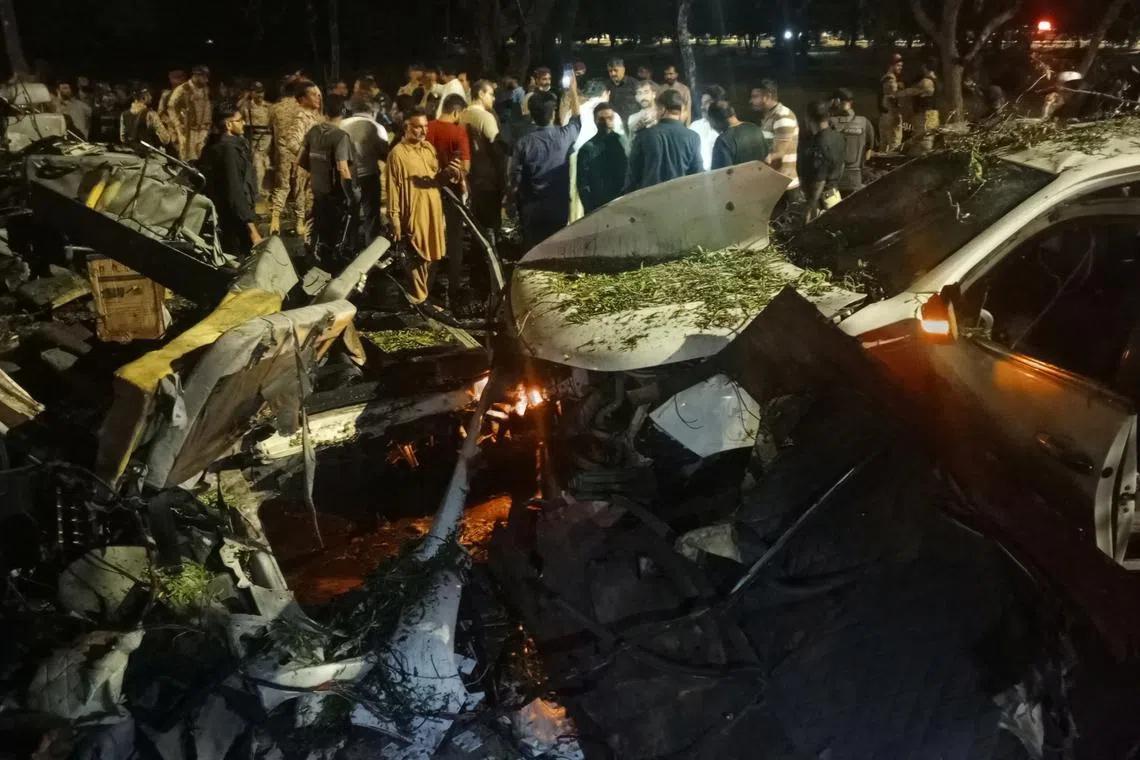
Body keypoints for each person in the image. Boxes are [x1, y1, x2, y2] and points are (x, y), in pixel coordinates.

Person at [387, 107, 459, 305]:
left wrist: (449, 173)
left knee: (433, 255)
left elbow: (436, 180)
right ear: (406, 126)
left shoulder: (428, 149)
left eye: (426, 126)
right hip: (413, 212)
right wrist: (394, 217)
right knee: (418, 255)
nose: (424, 131)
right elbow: (392, 188)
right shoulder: (397, 154)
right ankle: (419, 299)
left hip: (433, 211)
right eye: (418, 127)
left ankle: (422, 297)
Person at [509, 75, 581, 251]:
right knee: (555, 249)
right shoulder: (564, 136)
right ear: (553, 114)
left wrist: (510, 201)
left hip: (532, 206)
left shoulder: (523, 143)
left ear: (532, 115)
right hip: (558, 204)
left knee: (533, 250)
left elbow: (514, 178)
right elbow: (577, 119)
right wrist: (573, 92)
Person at [300, 95, 359, 264]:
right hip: (334, 195)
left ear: (324, 112)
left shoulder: (313, 132)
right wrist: (351, 197)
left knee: (315, 230)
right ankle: (328, 265)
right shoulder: (340, 137)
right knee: (332, 236)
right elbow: (343, 168)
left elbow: (300, 160)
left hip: (316, 191)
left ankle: (311, 261)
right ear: (343, 112)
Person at [427, 94, 472, 306]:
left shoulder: (427, 128)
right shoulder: (458, 132)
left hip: (428, 191)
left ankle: (426, 284)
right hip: (452, 191)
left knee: (431, 237)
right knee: (454, 239)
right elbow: (465, 166)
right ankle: (454, 287)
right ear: (456, 112)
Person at [200, 103, 261, 256]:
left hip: (231, 218)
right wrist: (252, 230)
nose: (244, 123)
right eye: (239, 120)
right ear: (228, 125)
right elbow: (235, 191)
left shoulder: (220, 145)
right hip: (234, 223)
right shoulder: (228, 150)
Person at [624, 89, 701, 193]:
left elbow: (633, 173)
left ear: (662, 109)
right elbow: (697, 173)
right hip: (681, 196)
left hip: (650, 198)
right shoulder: (693, 137)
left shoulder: (644, 135)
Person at [460, 79, 506, 237]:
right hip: (489, 179)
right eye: (491, 94)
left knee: (478, 224)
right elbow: (497, 148)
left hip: (472, 176)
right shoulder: (485, 117)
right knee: (491, 225)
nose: (493, 98)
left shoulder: (463, 115)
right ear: (480, 93)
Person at [279, 80, 324, 241]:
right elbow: (291, 141)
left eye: (318, 94)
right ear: (303, 99)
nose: (318, 97)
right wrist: (307, 158)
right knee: (303, 196)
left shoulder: (316, 116)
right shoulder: (300, 116)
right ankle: (301, 224)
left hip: (316, 163)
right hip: (307, 165)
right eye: (313, 95)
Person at [340, 98, 388, 247]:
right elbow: (384, 153)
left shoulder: (341, 124)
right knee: (371, 216)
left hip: (346, 175)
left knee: (350, 214)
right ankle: (371, 249)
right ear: (373, 112)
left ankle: (349, 246)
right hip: (369, 175)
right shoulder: (377, 127)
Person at [797, 100, 845, 224]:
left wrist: (810, 207)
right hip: (834, 196)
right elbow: (842, 166)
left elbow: (820, 179)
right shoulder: (838, 137)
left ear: (808, 118)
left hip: (820, 203)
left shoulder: (818, 143)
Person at [576, 103, 629, 213]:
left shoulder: (623, 143)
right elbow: (583, 184)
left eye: (610, 118)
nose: (606, 122)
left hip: (622, 204)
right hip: (598, 207)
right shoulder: (587, 149)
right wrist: (590, 209)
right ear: (595, 120)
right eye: (602, 119)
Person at [751, 79, 799, 190]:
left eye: (755, 96)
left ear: (767, 96)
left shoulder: (782, 115)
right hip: (775, 184)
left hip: (785, 186)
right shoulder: (770, 116)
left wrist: (752, 163)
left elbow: (778, 153)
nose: (751, 101)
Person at [269, 75, 302, 234]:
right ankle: (300, 222)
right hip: (299, 150)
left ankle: (275, 219)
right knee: (300, 187)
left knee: (282, 185)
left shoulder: (275, 108)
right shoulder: (302, 107)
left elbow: (274, 132)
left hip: (283, 150)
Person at [829, 88, 874, 195]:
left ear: (836, 101)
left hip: (833, 182)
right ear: (851, 102)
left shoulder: (829, 122)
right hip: (855, 180)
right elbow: (868, 154)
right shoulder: (864, 122)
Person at [707, 100, 769, 170]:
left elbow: (722, 173)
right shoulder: (755, 128)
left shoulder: (723, 141)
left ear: (714, 121)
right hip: (762, 176)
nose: (712, 126)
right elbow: (767, 159)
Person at [168, 65, 213, 161]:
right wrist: (177, 124)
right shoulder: (183, 89)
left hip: (203, 131)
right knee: (188, 159)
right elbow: (171, 107)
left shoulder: (205, 89)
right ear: (196, 76)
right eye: (204, 77)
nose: (206, 80)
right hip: (189, 131)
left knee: (201, 158)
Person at [898, 60, 939, 155]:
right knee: (928, 140)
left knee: (922, 141)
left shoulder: (926, 82)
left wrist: (896, 94)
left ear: (925, 67)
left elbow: (911, 91)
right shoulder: (936, 80)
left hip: (924, 115)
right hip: (932, 114)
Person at [241, 82, 273, 200]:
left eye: (261, 92)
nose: (260, 95)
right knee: (256, 165)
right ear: (252, 93)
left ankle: (261, 190)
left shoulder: (269, 107)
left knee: (264, 165)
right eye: (256, 92)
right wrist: (244, 98)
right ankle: (256, 191)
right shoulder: (246, 106)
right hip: (253, 139)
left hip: (267, 140)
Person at [689, 84, 725, 171]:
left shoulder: (727, 127)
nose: (702, 107)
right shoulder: (695, 126)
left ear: (718, 103)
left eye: (706, 103)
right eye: (702, 103)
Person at [878, 55, 904, 152]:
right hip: (892, 116)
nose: (900, 68)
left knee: (883, 146)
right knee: (894, 146)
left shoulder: (884, 78)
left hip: (883, 116)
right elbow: (893, 97)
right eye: (898, 65)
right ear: (891, 65)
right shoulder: (891, 80)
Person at [157, 70, 187, 152]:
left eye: (181, 78)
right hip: (170, 131)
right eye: (175, 78)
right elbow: (160, 113)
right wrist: (168, 121)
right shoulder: (166, 95)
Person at [606, 57, 639, 125]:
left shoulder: (634, 84)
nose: (613, 74)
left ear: (623, 70)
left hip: (633, 124)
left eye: (615, 70)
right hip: (615, 124)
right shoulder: (607, 86)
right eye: (610, 71)